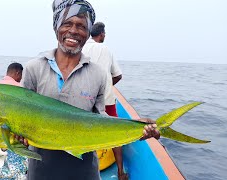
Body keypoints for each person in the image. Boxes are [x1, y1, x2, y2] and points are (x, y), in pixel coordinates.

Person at [16, 0, 160, 179]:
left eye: (81, 26)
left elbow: (100, 119)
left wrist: (136, 127)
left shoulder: (98, 73)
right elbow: (21, 116)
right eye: (67, 23)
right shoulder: (33, 68)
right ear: (56, 27)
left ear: (87, 33)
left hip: (85, 170)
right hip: (42, 169)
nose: (74, 31)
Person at [82, 22, 126, 179]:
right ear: (101, 34)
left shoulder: (82, 47)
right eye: (104, 33)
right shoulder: (106, 49)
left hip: (84, 99)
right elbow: (118, 75)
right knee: (115, 134)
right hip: (106, 99)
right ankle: (121, 172)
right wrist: (106, 86)